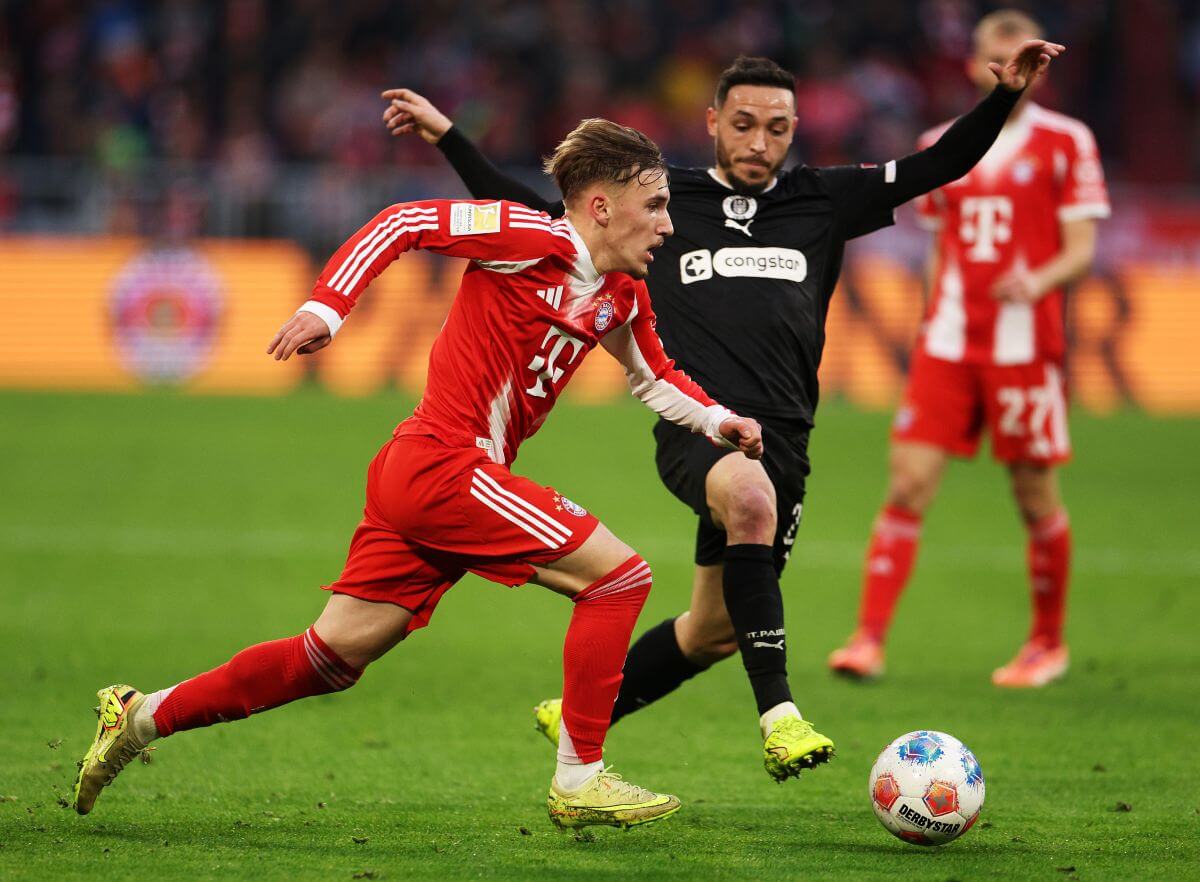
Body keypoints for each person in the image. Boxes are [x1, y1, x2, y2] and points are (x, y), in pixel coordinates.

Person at [382, 39, 1064, 776]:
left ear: (795, 130)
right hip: (696, 422)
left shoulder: (824, 201)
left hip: (787, 436)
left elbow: (940, 165)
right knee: (746, 493)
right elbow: (535, 209)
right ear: (712, 121)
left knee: (713, 629)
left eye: (775, 127)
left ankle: (581, 711)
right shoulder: (664, 202)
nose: (758, 141)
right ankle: (782, 718)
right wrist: (450, 136)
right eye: (742, 123)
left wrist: (1004, 97)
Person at [71, 118, 766, 832]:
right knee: (619, 578)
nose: (668, 222)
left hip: (437, 478)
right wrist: (326, 307)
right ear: (599, 206)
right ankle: (580, 776)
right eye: (654, 205)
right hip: (443, 463)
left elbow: (655, 377)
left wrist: (720, 423)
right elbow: (402, 221)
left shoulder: (620, 292)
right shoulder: (531, 239)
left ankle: (140, 716)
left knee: (330, 657)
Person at [829, 11, 1108, 686]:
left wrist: (1035, 280)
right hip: (948, 345)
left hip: (1022, 349)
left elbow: (1081, 251)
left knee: (1034, 496)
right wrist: (926, 324)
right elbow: (937, 248)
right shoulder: (942, 143)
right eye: (999, 53)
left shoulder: (1068, 142)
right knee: (907, 484)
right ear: (973, 63)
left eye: (1025, 54)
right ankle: (868, 640)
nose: (1014, 65)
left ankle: (1047, 643)